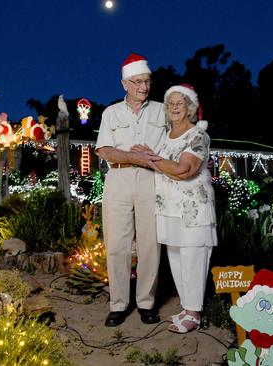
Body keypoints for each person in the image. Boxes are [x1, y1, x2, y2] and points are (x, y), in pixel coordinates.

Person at [132, 84, 217, 333]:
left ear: (190, 107)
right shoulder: (165, 136)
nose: (175, 107)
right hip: (168, 208)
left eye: (180, 102)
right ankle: (187, 306)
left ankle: (195, 312)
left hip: (192, 210)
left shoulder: (198, 136)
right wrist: (151, 156)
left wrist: (153, 160)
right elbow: (163, 164)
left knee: (193, 257)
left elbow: (183, 170)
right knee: (177, 258)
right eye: (170, 103)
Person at [95, 53, 167, 327]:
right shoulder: (111, 113)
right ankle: (118, 304)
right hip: (119, 179)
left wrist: (157, 158)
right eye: (137, 82)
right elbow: (104, 150)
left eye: (147, 81)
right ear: (124, 83)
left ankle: (147, 303)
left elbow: (177, 139)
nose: (143, 87)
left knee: (150, 244)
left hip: (151, 179)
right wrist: (133, 156)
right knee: (117, 245)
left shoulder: (162, 110)